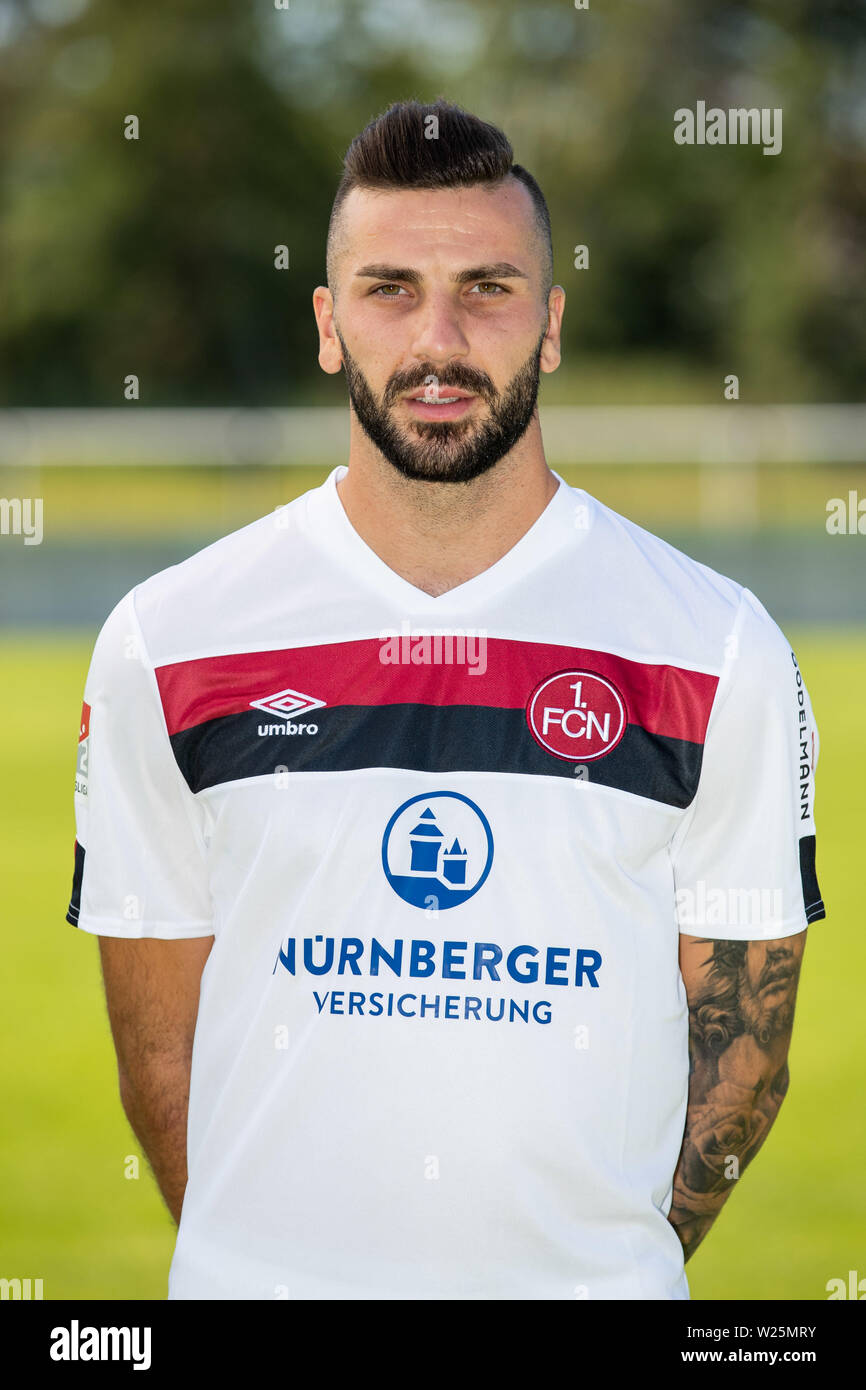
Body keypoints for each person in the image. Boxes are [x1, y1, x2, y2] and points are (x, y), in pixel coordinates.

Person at [66, 99, 825, 1300]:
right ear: (326, 324)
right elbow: (162, 1046)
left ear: (550, 323)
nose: (438, 337)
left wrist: (596, 1270)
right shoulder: (171, 639)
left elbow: (743, 1055)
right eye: (386, 290)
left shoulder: (713, 643)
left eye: (486, 288)